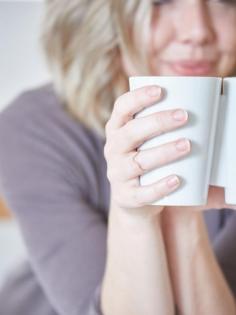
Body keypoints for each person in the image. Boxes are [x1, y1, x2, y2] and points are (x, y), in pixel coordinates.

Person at [0, 0, 235, 314]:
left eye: (225, 1)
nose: (197, 31)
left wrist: (181, 212)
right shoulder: (35, 126)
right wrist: (134, 216)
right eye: (161, 1)